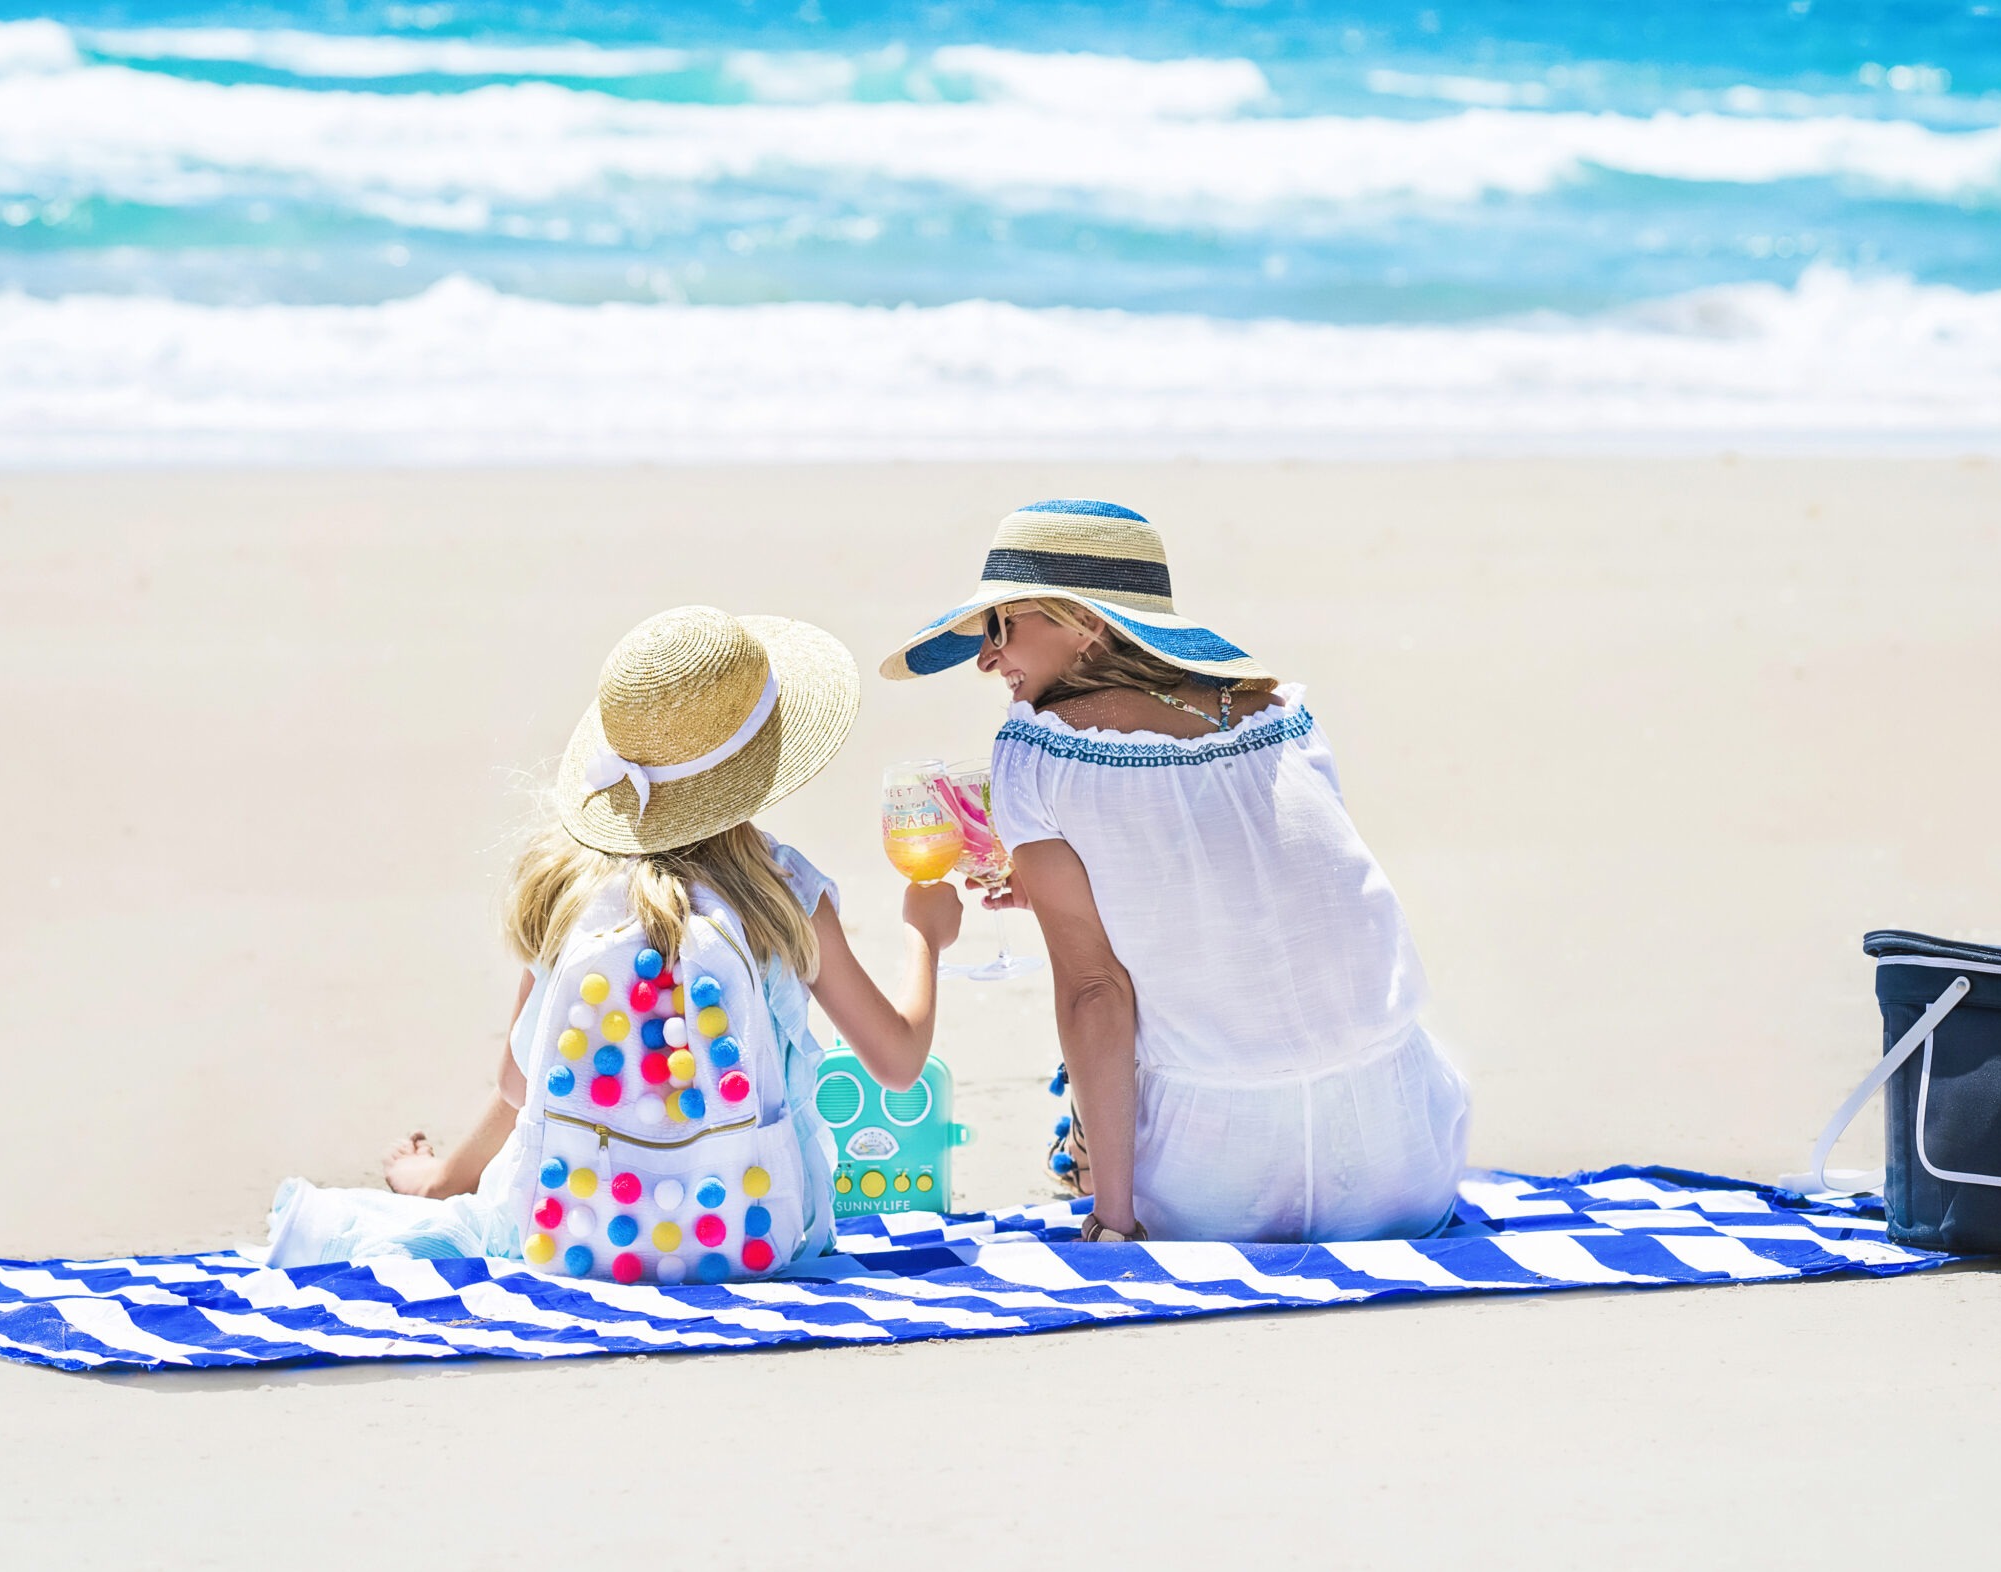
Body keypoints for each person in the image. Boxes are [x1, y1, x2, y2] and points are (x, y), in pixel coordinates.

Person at [268, 605, 961, 1268]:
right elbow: (898, 1061)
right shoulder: (783, 895)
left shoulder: (573, 890)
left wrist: (446, 1177)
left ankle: (442, 1190)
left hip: (571, 1234)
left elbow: (519, 1081)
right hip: (754, 1233)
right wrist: (923, 935)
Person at [881, 499, 1469, 1244]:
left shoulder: (1036, 752)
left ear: (1084, 623)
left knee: (1091, 1068)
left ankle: (1094, 1166)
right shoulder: (1285, 715)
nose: (986, 658)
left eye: (1001, 626)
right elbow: (1279, 901)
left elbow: (1096, 997)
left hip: (1219, 1192)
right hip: (1404, 1167)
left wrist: (1115, 1223)